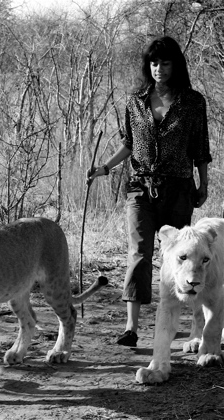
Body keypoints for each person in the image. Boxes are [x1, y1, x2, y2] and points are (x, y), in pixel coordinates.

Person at [87, 35, 211, 347]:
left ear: (176, 65)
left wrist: (203, 184)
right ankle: (131, 328)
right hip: (140, 188)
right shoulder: (135, 102)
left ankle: (180, 322)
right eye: (154, 63)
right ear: (148, 66)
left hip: (180, 189)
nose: (159, 69)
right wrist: (105, 168)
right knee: (139, 254)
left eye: (165, 63)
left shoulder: (194, 103)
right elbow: (129, 144)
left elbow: (200, 149)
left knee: (181, 257)